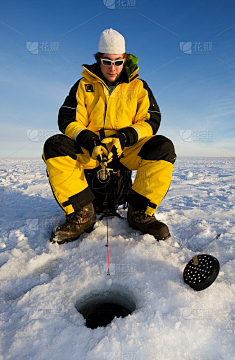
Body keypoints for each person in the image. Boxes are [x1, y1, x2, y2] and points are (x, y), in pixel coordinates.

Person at [42, 28, 176, 244]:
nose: (112, 68)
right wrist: (90, 140)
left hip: (126, 150)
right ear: (98, 60)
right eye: (106, 61)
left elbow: (151, 120)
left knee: (163, 147)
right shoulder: (83, 86)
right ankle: (82, 214)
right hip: (92, 151)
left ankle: (140, 213)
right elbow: (67, 119)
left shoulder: (139, 87)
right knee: (55, 146)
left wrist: (124, 139)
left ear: (125, 59)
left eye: (117, 61)